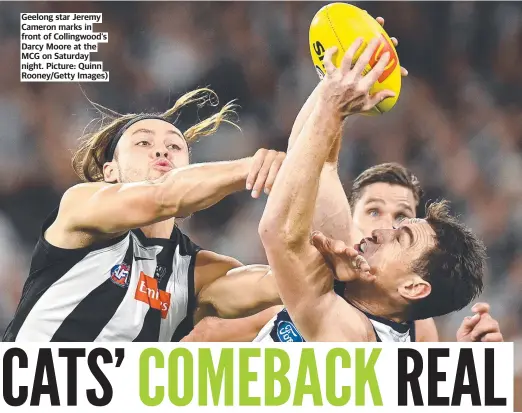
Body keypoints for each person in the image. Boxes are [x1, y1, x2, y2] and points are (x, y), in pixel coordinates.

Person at [257, 36, 492, 342]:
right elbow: (321, 166)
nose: (382, 230)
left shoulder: (354, 337)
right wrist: (340, 75)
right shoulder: (371, 290)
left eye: (400, 238)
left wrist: (332, 102)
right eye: (397, 226)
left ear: (412, 287)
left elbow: (278, 233)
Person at [2, 89, 285, 342]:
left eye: (175, 146)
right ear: (110, 172)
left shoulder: (199, 273)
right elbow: (164, 196)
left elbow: (281, 286)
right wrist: (254, 168)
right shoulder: (80, 206)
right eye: (143, 143)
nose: (162, 150)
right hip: (26, 394)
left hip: (112, 402)